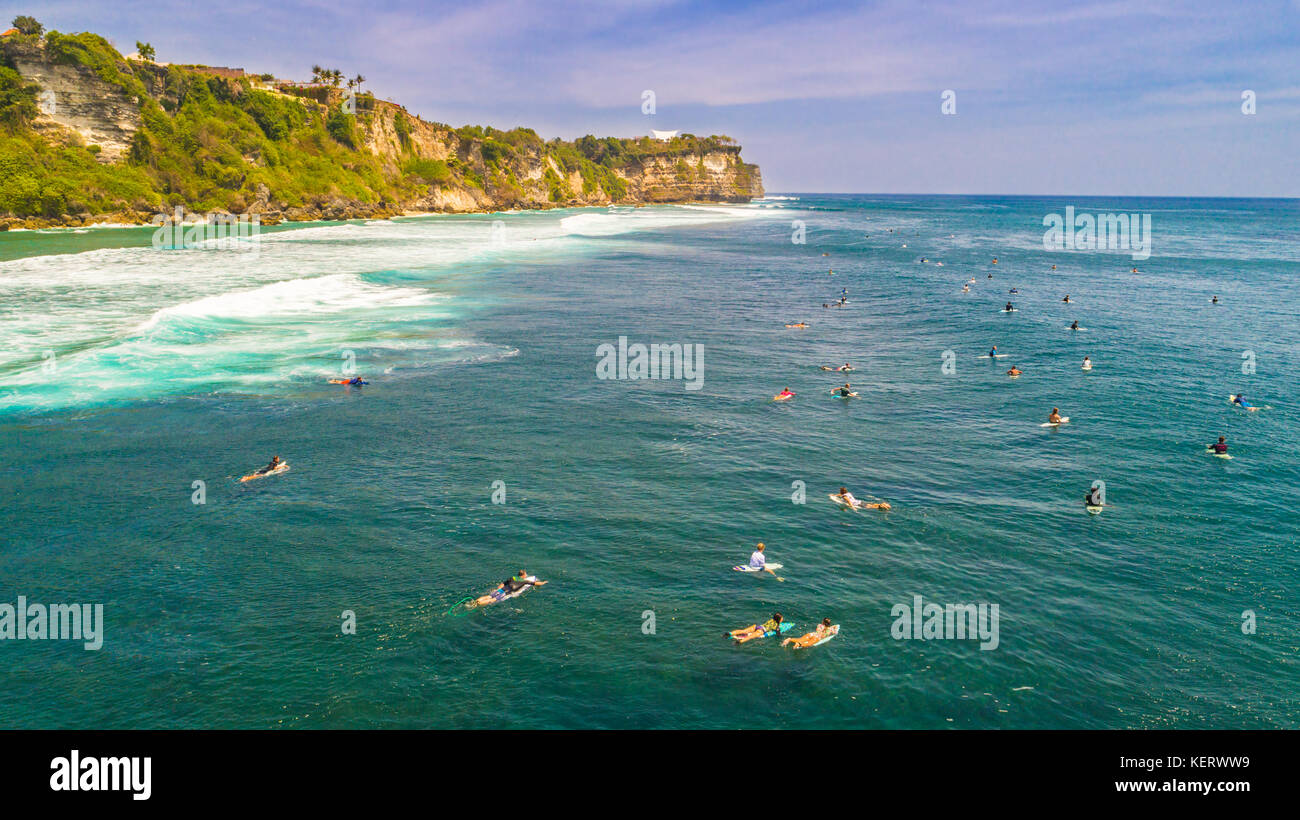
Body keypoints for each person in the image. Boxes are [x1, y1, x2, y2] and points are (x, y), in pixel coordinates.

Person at [474, 570, 547, 606]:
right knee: (492, 600)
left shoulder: (512, 578)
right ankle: (479, 604)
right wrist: (543, 583)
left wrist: (498, 589)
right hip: (504, 593)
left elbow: (503, 583)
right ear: (523, 575)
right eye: (525, 574)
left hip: (500, 590)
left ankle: (476, 601)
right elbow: (536, 583)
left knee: (489, 596)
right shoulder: (525, 581)